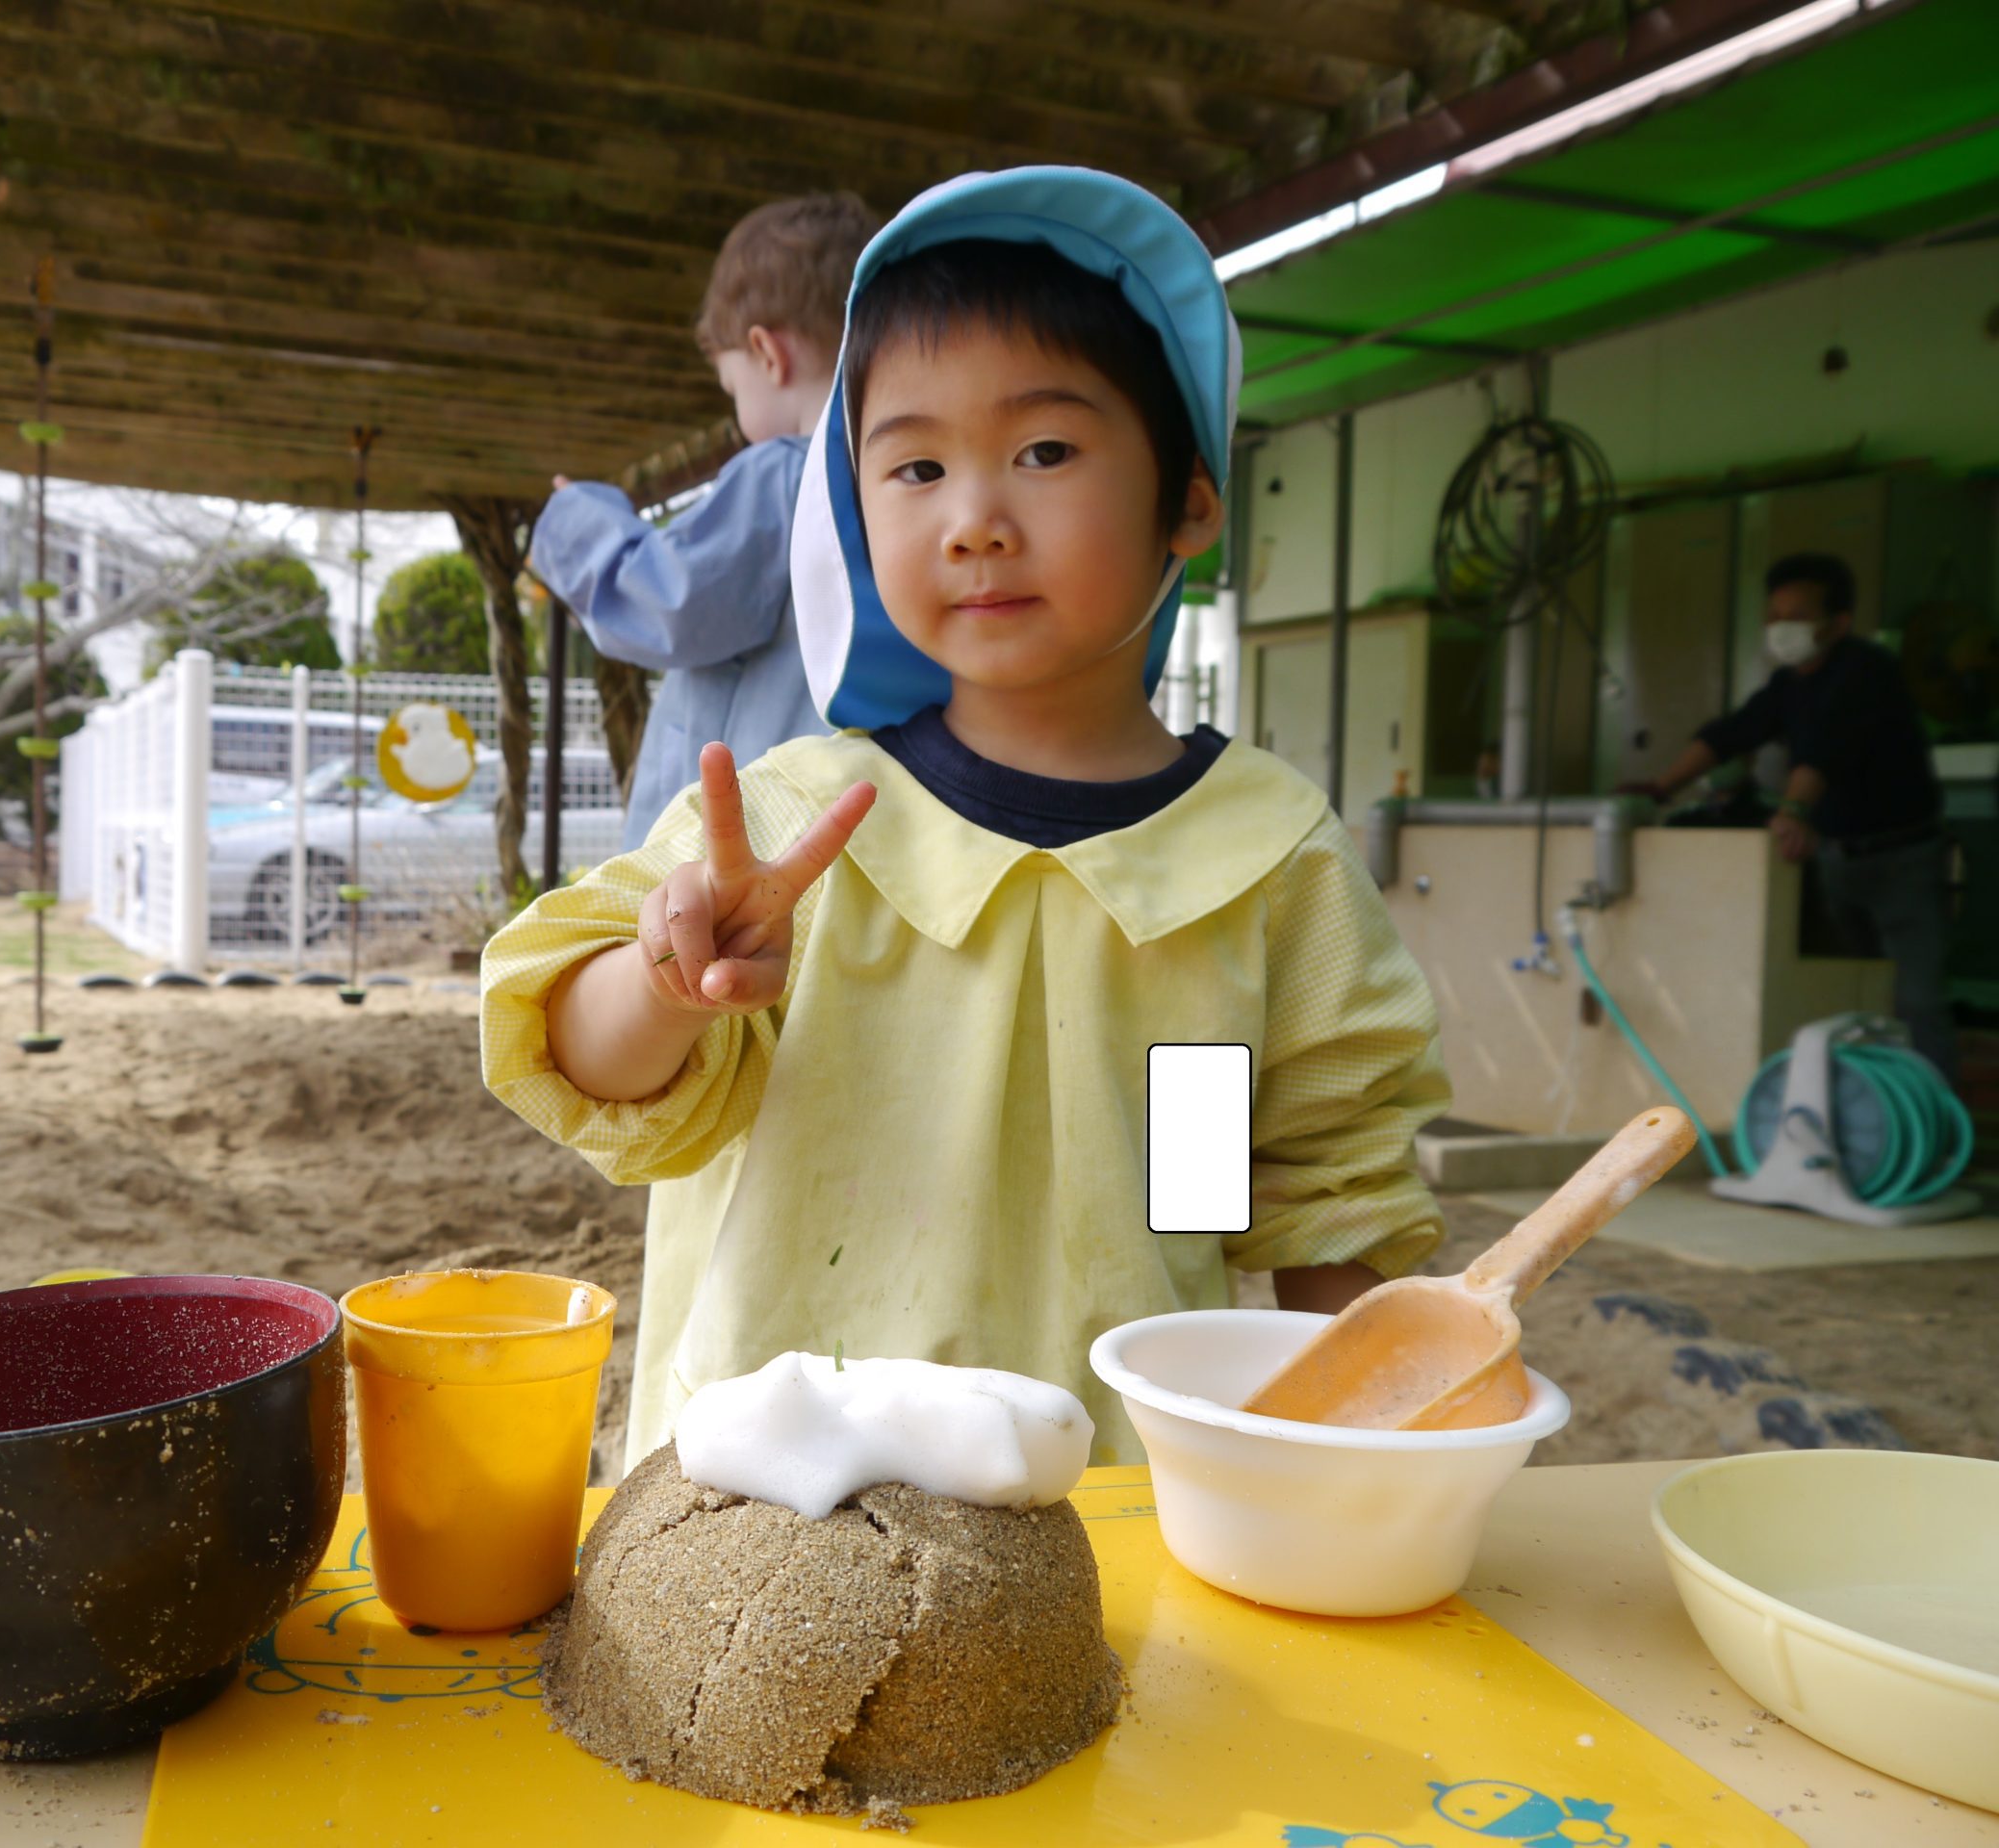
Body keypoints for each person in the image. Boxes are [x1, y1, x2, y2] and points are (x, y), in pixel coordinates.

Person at [483, 168, 1449, 1468]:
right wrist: (668, 981)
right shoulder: (792, 825)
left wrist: (1375, 1450)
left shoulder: (1257, 866)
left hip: (1106, 1516)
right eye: (917, 465)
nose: (975, 522)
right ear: (854, 507)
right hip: (770, 1523)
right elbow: (584, 1058)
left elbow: (1280, 1203)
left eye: (1045, 451)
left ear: (1191, 499)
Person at [533, 192, 880, 847]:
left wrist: (574, 520)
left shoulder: (785, 475)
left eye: (731, 388)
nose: (735, 409)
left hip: (740, 840)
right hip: (841, 824)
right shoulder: (901, 485)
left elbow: (668, 601)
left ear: (768, 355)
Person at [1636, 552, 1953, 1078]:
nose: (1780, 628)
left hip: (1902, 861)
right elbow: (1733, 732)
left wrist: (1792, 809)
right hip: (1836, 861)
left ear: (1839, 622)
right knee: (1852, 995)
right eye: (1774, 615)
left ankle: (1934, 1125)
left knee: (1916, 1000)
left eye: (1796, 615)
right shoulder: (1790, 685)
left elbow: (1828, 746)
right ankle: (1871, 1113)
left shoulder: (1866, 670)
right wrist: (1659, 788)